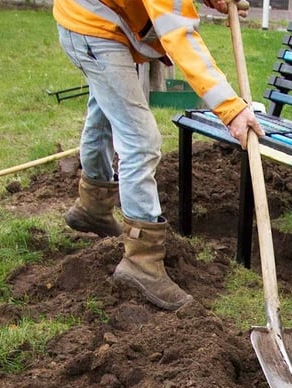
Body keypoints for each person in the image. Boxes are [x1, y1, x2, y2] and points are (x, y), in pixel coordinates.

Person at [53, 0, 262, 310]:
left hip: (91, 16)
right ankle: (142, 261)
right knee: (140, 139)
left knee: (105, 109)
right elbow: (178, 34)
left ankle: (93, 205)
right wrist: (230, 109)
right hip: (94, 25)